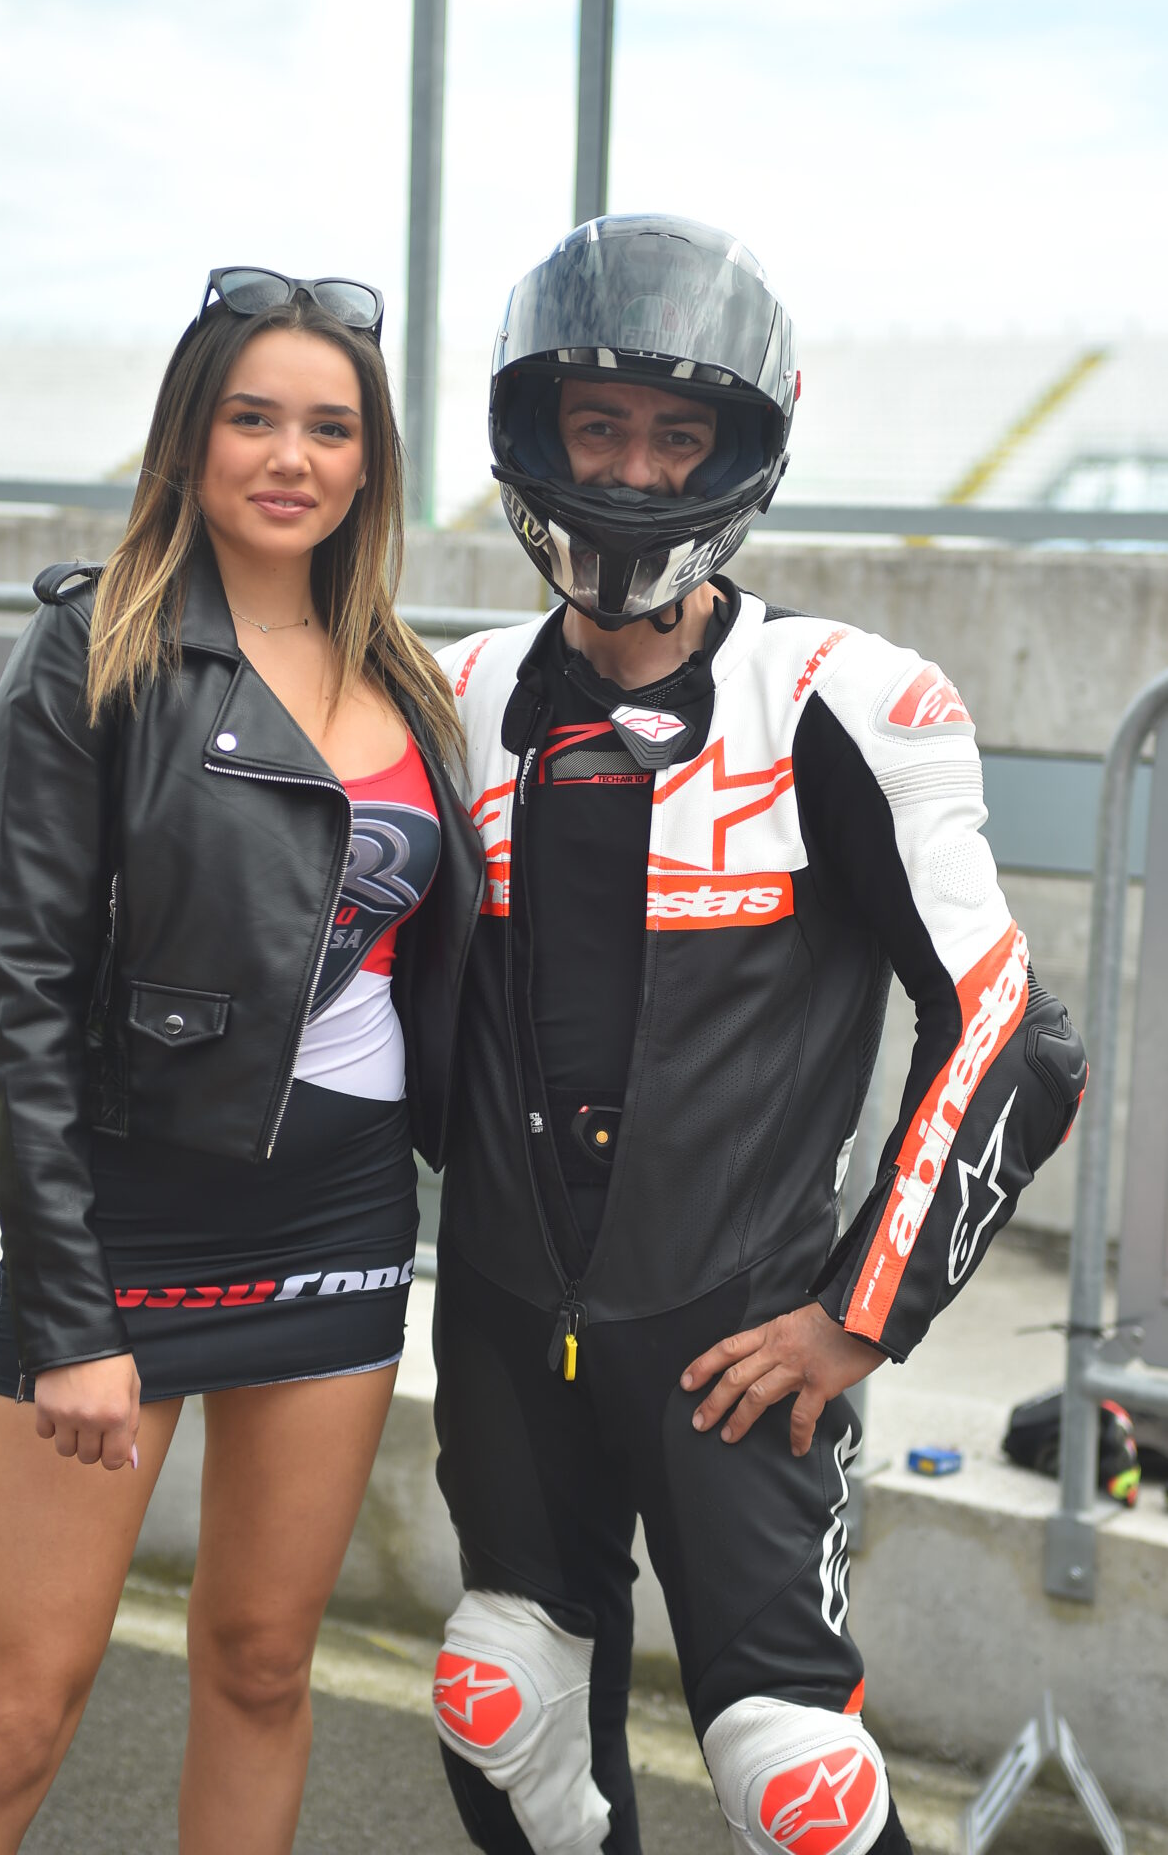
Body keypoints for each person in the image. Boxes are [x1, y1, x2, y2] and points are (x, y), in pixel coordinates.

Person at [428, 215, 1087, 1855]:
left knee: (793, 1781)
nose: (631, 472)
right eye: (597, 425)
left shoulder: (839, 696)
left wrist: (858, 1318)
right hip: (501, 1315)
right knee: (500, 1699)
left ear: (741, 452)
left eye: (677, 435)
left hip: (735, 1334)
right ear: (532, 429)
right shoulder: (454, 694)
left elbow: (1010, 1033)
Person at [0, 268, 482, 1855]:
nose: (291, 458)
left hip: (343, 1216)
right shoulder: (97, 652)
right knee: (15, 1717)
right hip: (130, 1222)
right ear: (190, 438)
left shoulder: (406, 676)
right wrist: (71, 1312)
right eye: (252, 418)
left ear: (370, 462)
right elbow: (21, 999)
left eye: (330, 428)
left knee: (264, 1665)